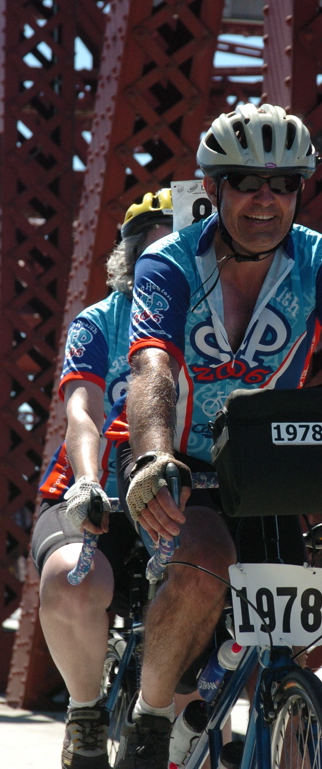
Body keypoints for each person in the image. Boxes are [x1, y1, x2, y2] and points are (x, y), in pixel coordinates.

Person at [112, 103, 322, 769]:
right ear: (214, 188)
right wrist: (152, 456)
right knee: (205, 560)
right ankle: (150, 723)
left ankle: (264, 706)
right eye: (247, 182)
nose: (267, 198)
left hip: (265, 462)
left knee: (284, 607)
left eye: (285, 183)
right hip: (177, 460)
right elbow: (151, 368)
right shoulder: (168, 262)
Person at [31, 189, 174, 769]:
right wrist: (89, 481)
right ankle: (86, 713)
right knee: (72, 580)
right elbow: (83, 413)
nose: (172, 265)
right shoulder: (100, 322)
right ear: (132, 260)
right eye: (157, 253)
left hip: (178, 493)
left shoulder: (224, 321)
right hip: (98, 493)